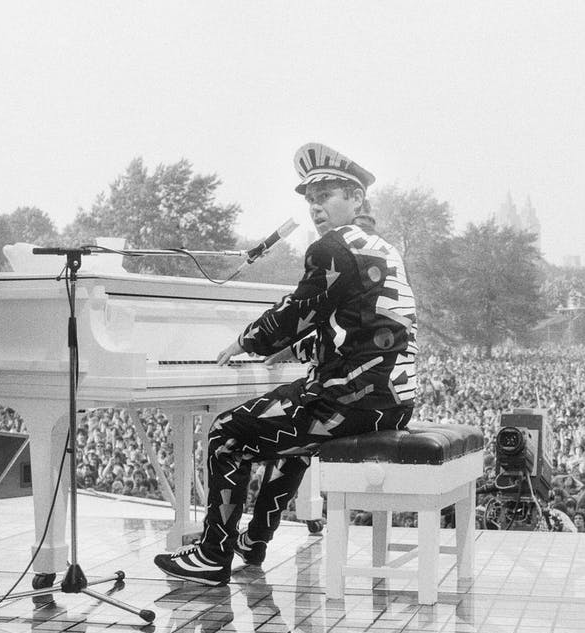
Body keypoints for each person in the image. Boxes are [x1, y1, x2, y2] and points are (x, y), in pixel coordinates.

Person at [154, 142, 417, 585]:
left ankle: (213, 555)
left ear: (357, 199)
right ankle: (254, 540)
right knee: (287, 431)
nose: (315, 207)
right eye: (311, 199)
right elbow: (359, 330)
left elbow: (295, 314)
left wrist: (246, 340)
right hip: (389, 401)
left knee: (225, 433)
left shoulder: (333, 247)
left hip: (347, 404)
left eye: (326, 196)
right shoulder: (383, 250)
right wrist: (295, 352)